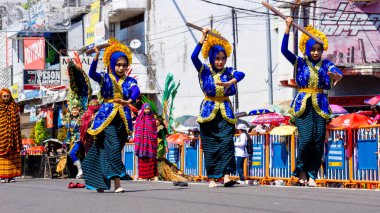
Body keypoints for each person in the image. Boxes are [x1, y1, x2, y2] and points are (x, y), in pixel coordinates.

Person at [281, 17, 342, 187]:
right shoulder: (300, 63)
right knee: (306, 139)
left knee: (318, 140)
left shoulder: (326, 64)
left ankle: (312, 175)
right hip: (303, 105)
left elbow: (335, 71)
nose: (315, 52)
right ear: (307, 49)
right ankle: (301, 170)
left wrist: (336, 75)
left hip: (320, 105)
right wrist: (287, 28)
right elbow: (284, 50)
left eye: (318, 49)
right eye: (312, 49)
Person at [83, 38, 140, 193]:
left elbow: (136, 91)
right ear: (112, 64)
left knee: (111, 150)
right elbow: (91, 73)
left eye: (124, 65)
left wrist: (129, 100)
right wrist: (96, 55)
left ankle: (102, 182)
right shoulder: (105, 77)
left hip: (123, 118)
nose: (121, 68)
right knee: (113, 146)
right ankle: (120, 178)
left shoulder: (129, 81)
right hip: (106, 117)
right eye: (118, 64)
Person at [191, 28, 245, 188]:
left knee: (227, 143)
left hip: (226, 112)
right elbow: (193, 57)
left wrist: (231, 82)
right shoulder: (204, 71)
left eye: (223, 58)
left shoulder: (229, 72)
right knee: (211, 146)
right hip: (208, 112)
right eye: (217, 58)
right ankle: (213, 178)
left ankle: (227, 175)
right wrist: (203, 37)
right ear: (212, 58)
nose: (220, 62)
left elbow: (242, 74)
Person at [0, 88, 22, 183]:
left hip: (13, 136)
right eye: (4, 96)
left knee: (13, 156)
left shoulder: (14, 106)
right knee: (2, 157)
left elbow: (17, 121)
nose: (6, 98)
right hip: (1, 137)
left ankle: (11, 176)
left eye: (7, 96)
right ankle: (1, 176)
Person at [134, 103, 158, 180]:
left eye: (148, 109)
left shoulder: (153, 119)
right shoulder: (139, 119)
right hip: (142, 144)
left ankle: (152, 176)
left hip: (150, 143)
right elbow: (137, 130)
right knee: (142, 159)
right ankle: (142, 176)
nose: (147, 111)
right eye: (145, 109)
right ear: (143, 110)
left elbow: (154, 131)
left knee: (151, 159)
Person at [64, 103, 84, 179]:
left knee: (72, 153)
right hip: (71, 140)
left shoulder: (81, 119)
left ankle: (80, 170)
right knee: (70, 154)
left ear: (79, 111)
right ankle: (79, 171)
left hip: (79, 139)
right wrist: (66, 141)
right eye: (73, 110)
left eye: (76, 110)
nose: (74, 111)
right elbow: (69, 132)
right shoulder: (70, 120)